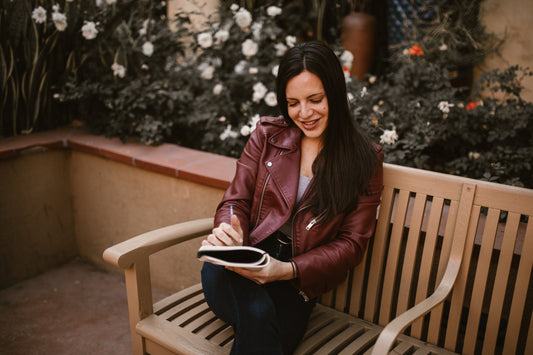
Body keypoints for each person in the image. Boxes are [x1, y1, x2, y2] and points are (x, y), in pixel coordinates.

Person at [200, 41, 383, 354]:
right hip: (243, 258)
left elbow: (352, 245)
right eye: (293, 103)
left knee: (264, 330)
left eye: (315, 99)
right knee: (258, 315)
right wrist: (229, 231)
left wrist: (286, 270)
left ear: (335, 95)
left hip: (297, 276)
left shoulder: (365, 159)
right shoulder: (267, 135)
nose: (305, 113)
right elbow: (236, 199)